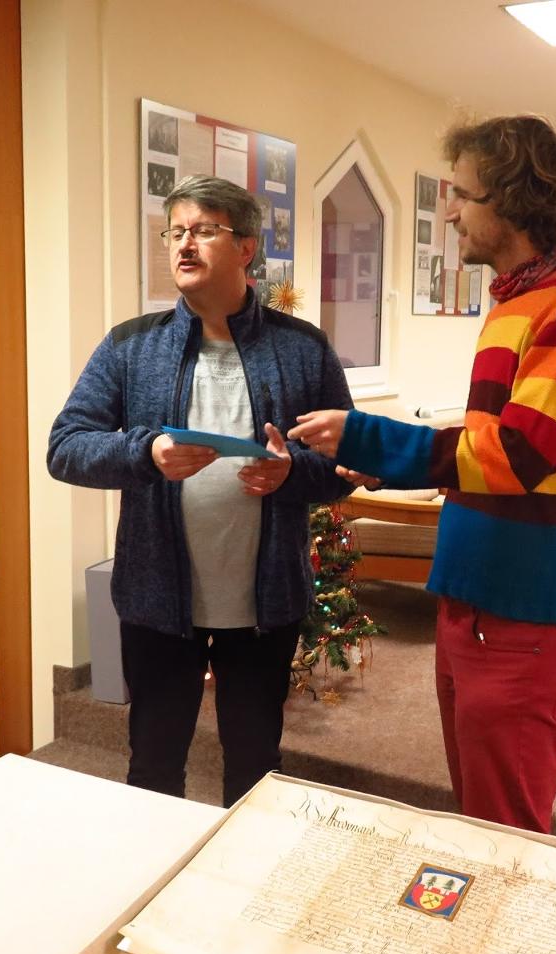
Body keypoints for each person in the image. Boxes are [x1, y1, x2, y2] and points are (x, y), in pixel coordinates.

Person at [290, 115, 556, 833]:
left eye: (463, 195)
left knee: (506, 825)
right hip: (470, 594)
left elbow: (522, 454)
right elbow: (484, 451)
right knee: (477, 810)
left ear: (514, 199)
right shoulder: (514, 303)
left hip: (526, 605)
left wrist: (372, 437)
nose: (449, 213)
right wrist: (383, 468)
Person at [47, 175, 353, 806]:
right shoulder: (131, 345)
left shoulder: (303, 348)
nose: (184, 244)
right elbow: (66, 447)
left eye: (204, 230)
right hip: (158, 601)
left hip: (264, 606)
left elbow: (343, 466)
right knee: (153, 769)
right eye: (176, 231)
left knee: (256, 770)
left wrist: (292, 473)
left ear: (246, 247)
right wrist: (146, 453)